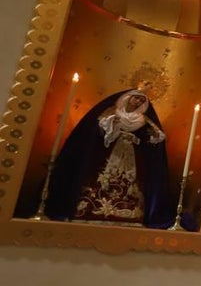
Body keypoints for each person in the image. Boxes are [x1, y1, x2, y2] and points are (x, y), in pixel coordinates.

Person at [44, 88, 173, 228]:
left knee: (128, 181)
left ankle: (127, 209)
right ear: (128, 97)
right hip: (107, 152)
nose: (138, 102)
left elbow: (151, 139)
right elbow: (97, 132)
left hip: (130, 154)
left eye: (141, 100)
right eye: (136, 98)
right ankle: (91, 206)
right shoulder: (112, 112)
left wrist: (139, 139)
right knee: (100, 177)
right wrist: (112, 129)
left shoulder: (143, 120)